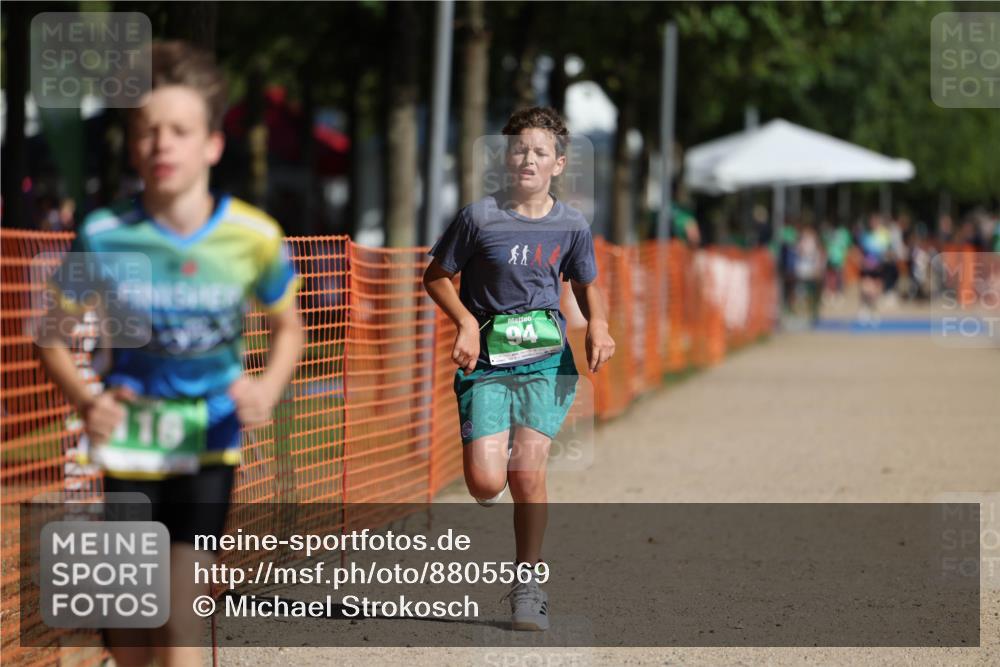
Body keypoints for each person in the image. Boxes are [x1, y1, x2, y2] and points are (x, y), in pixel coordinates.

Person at [37, 41, 304, 666]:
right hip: (130, 443)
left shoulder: (253, 236)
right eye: (147, 130)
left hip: (209, 441)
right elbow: (50, 334)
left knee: (180, 613)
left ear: (212, 144)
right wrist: (88, 402)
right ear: (133, 146)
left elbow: (289, 327)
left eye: (180, 131)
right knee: (131, 632)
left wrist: (266, 388)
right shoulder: (105, 235)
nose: (162, 144)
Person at [422, 106, 615, 631]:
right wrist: (465, 322)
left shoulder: (571, 224)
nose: (529, 159)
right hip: (486, 363)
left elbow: (586, 284)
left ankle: (528, 586)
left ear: (559, 164)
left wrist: (598, 326)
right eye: (519, 149)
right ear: (506, 158)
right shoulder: (478, 218)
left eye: (540, 152)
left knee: (528, 474)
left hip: (546, 365)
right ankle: (493, 456)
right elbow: (435, 276)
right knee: (487, 484)